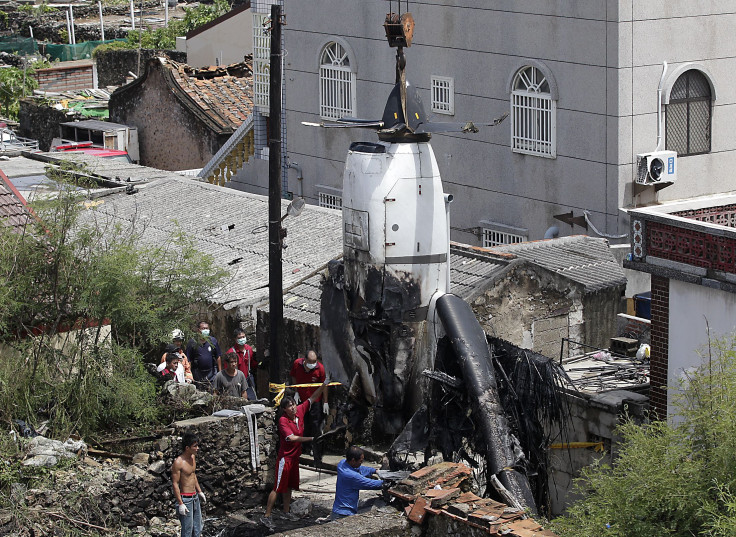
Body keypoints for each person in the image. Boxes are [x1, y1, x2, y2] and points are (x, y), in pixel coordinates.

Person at [261, 377, 330, 530]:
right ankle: (267, 514)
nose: (292, 408)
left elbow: (312, 398)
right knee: (278, 487)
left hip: (295, 458)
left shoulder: (300, 411)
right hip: (285, 459)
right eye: (289, 406)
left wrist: (324, 384)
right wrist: (312, 439)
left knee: (290, 486)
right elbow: (291, 438)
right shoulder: (283, 421)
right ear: (284, 409)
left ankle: (286, 511)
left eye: (293, 405)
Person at [289, 350, 329, 459]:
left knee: (315, 425)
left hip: (315, 401)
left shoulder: (320, 368)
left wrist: (325, 401)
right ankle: (304, 446)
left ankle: (314, 447)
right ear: (305, 360)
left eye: (314, 361)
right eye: (310, 361)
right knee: (302, 423)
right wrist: (296, 391)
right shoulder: (297, 364)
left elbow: (324, 385)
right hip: (301, 400)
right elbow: (294, 376)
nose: (313, 363)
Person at [331, 446, 384, 520]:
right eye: (360, 461)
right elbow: (371, 484)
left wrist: (375, 471)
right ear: (353, 460)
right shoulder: (351, 476)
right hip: (344, 514)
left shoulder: (342, 464)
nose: (361, 463)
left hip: (337, 510)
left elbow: (360, 469)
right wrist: (388, 482)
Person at [171, 432, 206, 537]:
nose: (197, 448)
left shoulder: (192, 458)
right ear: (187, 448)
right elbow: (175, 483)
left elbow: (193, 475)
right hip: (185, 499)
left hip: (194, 497)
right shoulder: (178, 462)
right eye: (195, 446)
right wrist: (180, 503)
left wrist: (199, 491)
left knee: (198, 528)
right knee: (187, 530)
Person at [186, 321, 222, 388]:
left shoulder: (213, 341)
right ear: (198, 330)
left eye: (207, 328)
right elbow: (188, 359)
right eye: (203, 328)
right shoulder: (192, 342)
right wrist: (189, 375)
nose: (205, 330)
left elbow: (218, 356)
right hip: (197, 373)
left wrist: (220, 372)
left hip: (211, 372)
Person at [225, 328, 257, 399]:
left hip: (248, 379)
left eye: (243, 337)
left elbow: (252, 364)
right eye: (239, 338)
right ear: (235, 339)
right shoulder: (231, 352)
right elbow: (227, 369)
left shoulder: (249, 349)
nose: (242, 339)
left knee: (253, 400)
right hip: (235, 380)